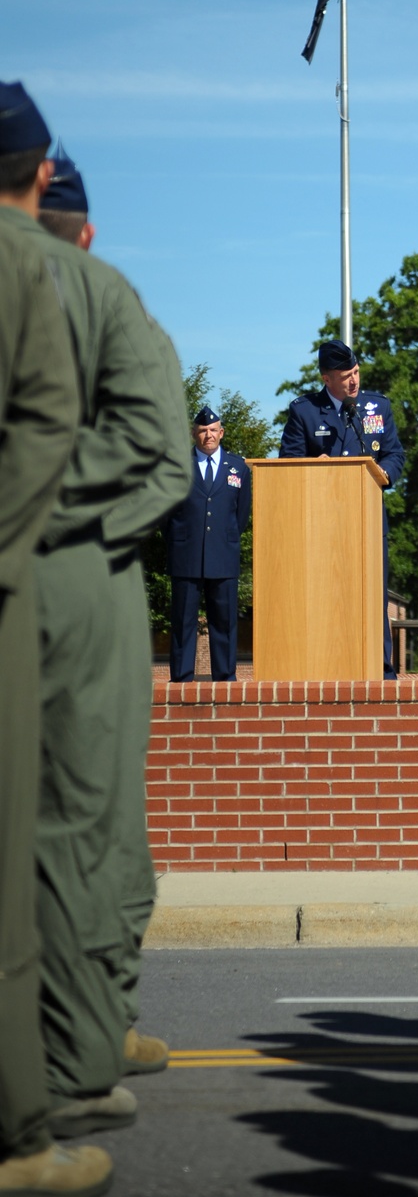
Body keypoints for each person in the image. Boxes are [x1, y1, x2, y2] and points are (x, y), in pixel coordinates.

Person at [16, 133, 190, 1137]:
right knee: (96, 816)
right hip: (87, 571)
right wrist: (69, 527)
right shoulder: (102, 294)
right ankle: (86, 1032)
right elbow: (162, 464)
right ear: (80, 221)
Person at [0, 85, 111, 1194]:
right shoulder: (65, 281)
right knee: (56, 824)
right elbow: (55, 422)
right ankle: (27, 1119)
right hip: (40, 571)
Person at [279, 339, 405, 676]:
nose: (354, 381)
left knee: (372, 597)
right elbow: (288, 463)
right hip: (321, 525)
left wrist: (383, 473)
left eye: (357, 372)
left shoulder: (377, 407)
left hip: (367, 521)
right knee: (323, 596)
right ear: (326, 379)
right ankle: (323, 664)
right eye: (346, 375)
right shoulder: (304, 411)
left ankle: (381, 668)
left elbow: (394, 454)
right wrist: (312, 467)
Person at [164, 406, 251, 683]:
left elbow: (241, 514)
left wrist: (224, 539)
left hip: (223, 556)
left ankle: (225, 680)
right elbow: (166, 513)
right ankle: (181, 679)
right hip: (186, 554)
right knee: (183, 622)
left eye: (213, 430)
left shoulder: (238, 467)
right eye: (202, 430)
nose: (208, 435)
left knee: (224, 623)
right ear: (194, 433)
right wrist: (179, 539)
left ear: (221, 433)